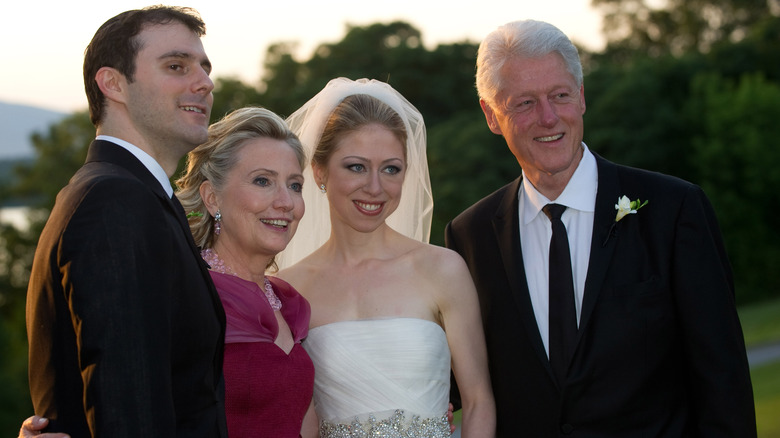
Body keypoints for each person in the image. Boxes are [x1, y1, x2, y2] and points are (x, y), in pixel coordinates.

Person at [444, 19, 757, 437]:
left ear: (582, 97)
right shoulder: (469, 236)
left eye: (560, 96)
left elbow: (723, 379)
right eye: (524, 104)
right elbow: (457, 382)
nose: (549, 117)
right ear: (491, 115)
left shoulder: (674, 209)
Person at [24, 6, 228, 437]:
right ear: (113, 83)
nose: (205, 83)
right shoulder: (114, 201)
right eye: (177, 66)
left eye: (205, 69)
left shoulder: (143, 198)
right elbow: (128, 405)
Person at [275, 77, 496, 437]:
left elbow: (478, 402)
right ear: (318, 171)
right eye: (356, 167)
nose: (375, 188)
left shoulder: (443, 270)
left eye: (391, 169)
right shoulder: (290, 288)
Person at [175, 106, 314, 437]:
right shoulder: (187, 295)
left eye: (295, 185)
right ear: (211, 198)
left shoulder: (291, 305)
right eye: (263, 181)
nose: (286, 202)